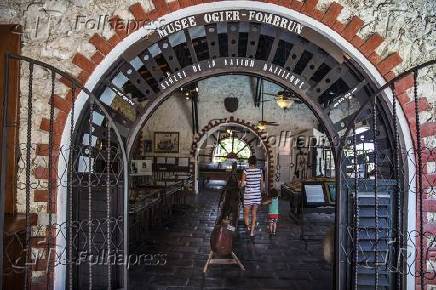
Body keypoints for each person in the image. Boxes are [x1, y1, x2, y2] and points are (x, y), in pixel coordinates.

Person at [240, 156, 264, 238]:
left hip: (248, 195)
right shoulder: (260, 171)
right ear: (256, 162)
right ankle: (252, 232)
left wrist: (240, 184)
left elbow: (243, 184)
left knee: (246, 213)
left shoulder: (245, 171)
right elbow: (261, 184)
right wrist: (260, 193)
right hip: (257, 195)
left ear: (249, 162)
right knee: (254, 214)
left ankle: (248, 227)